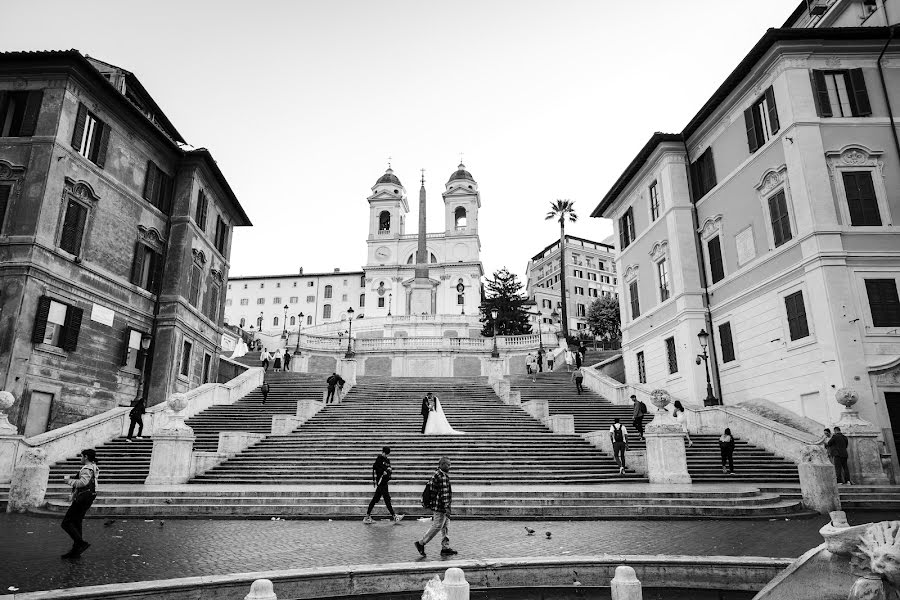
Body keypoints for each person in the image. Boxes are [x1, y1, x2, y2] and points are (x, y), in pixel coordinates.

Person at [415, 456, 456, 557]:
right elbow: (444, 493)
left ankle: (445, 547)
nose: (449, 467)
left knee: (445, 525)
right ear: (442, 464)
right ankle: (421, 543)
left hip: (439, 505)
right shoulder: (441, 476)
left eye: (450, 464)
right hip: (440, 506)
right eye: (448, 464)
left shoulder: (438, 474)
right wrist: (447, 508)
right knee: (438, 526)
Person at [61, 448, 99, 559]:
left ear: (86, 457)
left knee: (66, 523)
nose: (81, 458)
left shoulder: (87, 468)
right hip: (88, 497)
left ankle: (81, 543)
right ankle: (76, 550)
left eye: (81, 456)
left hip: (83, 498)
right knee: (77, 522)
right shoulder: (94, 467)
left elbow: (83, 482)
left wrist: (68, 481)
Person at [363, 446, 404, 524]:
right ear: (383, 452)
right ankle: (394, 516)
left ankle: (367, 516)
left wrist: (388, 471)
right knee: (386, 499)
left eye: (387, 454)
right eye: (385, 454)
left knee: (376, 499)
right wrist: (382, 471)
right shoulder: (379, 459)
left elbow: (389, 469)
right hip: (381, 482)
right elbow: (375, 467)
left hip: (385, 482)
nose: (386, 455)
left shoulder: (387, 460)